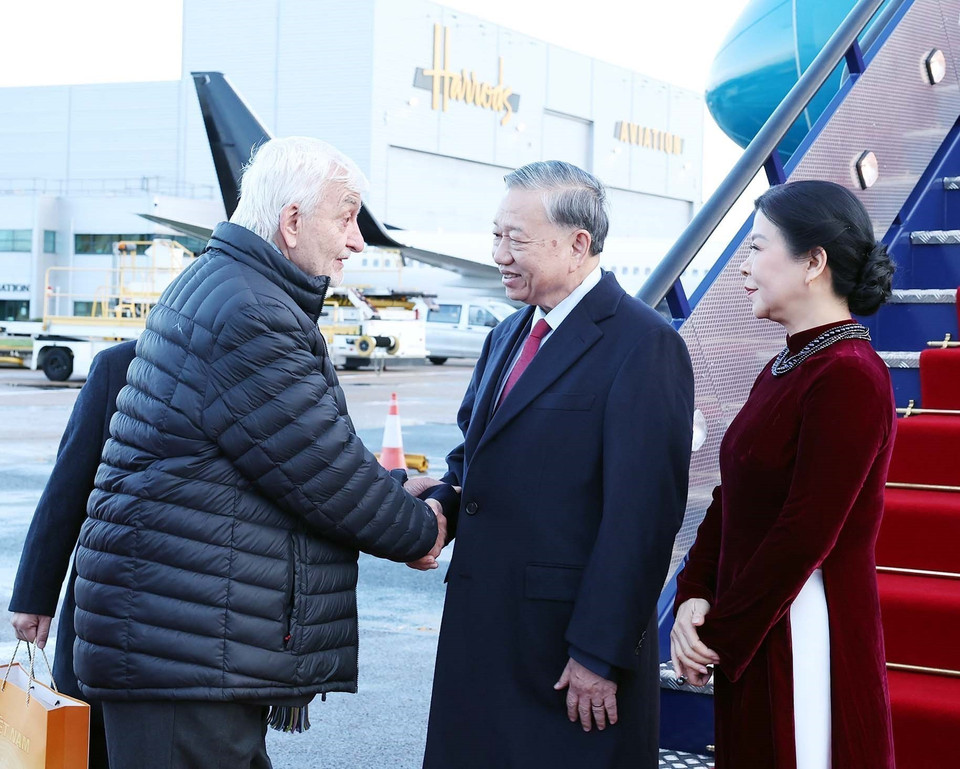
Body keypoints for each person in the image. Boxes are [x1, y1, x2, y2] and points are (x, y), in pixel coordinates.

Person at [72, 137, 445, 769]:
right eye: (347, 215)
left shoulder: (233, 286)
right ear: (293, 222)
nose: (358, 240)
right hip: (181, 651)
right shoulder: (250, 312)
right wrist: (423, 528)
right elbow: (325, 474)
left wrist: (396, 493)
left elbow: (304, 449)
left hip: (183, 639)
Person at [419, 160, 695, 768]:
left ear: (578, 244)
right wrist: (441, 503)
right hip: (484, 629)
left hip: (567, 651)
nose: (499, 253)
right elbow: (474, 458)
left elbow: (643, 517)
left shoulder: (644, 345)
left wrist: (600, 651)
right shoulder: (508, 334)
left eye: (515, 239)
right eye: (496, 235)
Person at [671, 179, 897, 769]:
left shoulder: (849, 374)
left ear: (813, 263)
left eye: (756, 247)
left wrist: (719, 633)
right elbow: (732, 496)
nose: (744, 266)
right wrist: (694, 593)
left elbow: (807, 533)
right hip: (757, 617)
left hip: (803, 624)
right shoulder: (788, 363)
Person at [9, 340, 136, 769]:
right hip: (99, 618)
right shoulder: (118, 366)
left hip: (191, 638)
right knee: (87, 744)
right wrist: (34, 595)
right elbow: (68, 486)